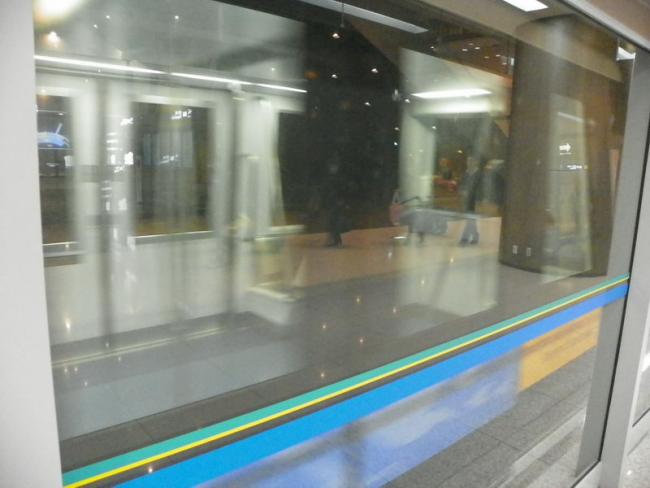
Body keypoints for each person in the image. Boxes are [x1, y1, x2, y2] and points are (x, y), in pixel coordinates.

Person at [459, 156, 482, 245]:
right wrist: (463, 192)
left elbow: (481, 188)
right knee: (471, 219)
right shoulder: (465, 174)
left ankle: (464, 238)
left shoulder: (479, 174)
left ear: (475, 162)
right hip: (467, 200)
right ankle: (475, 236)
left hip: (475, 200)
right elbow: (462, 185)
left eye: (471, 161)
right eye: (468, 161)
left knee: (470, 219)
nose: (469, 163)